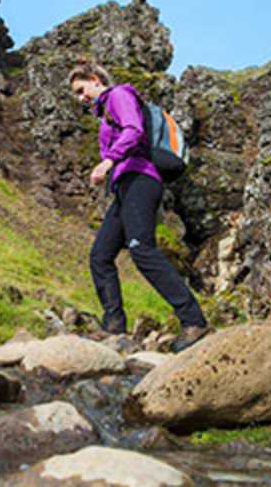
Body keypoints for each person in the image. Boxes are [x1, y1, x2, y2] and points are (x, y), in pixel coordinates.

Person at [67, 62, 209, 352]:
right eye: (76, 94)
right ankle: (114, 325)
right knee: (101, 255)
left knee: (141, 249)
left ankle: (194, 321)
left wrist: (108, 162)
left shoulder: (119, 95)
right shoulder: (104, 113)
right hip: (125, 187)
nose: (81, 98)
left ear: (95, 80)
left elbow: (134, 130)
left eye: (82, 90)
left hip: (142, 179)